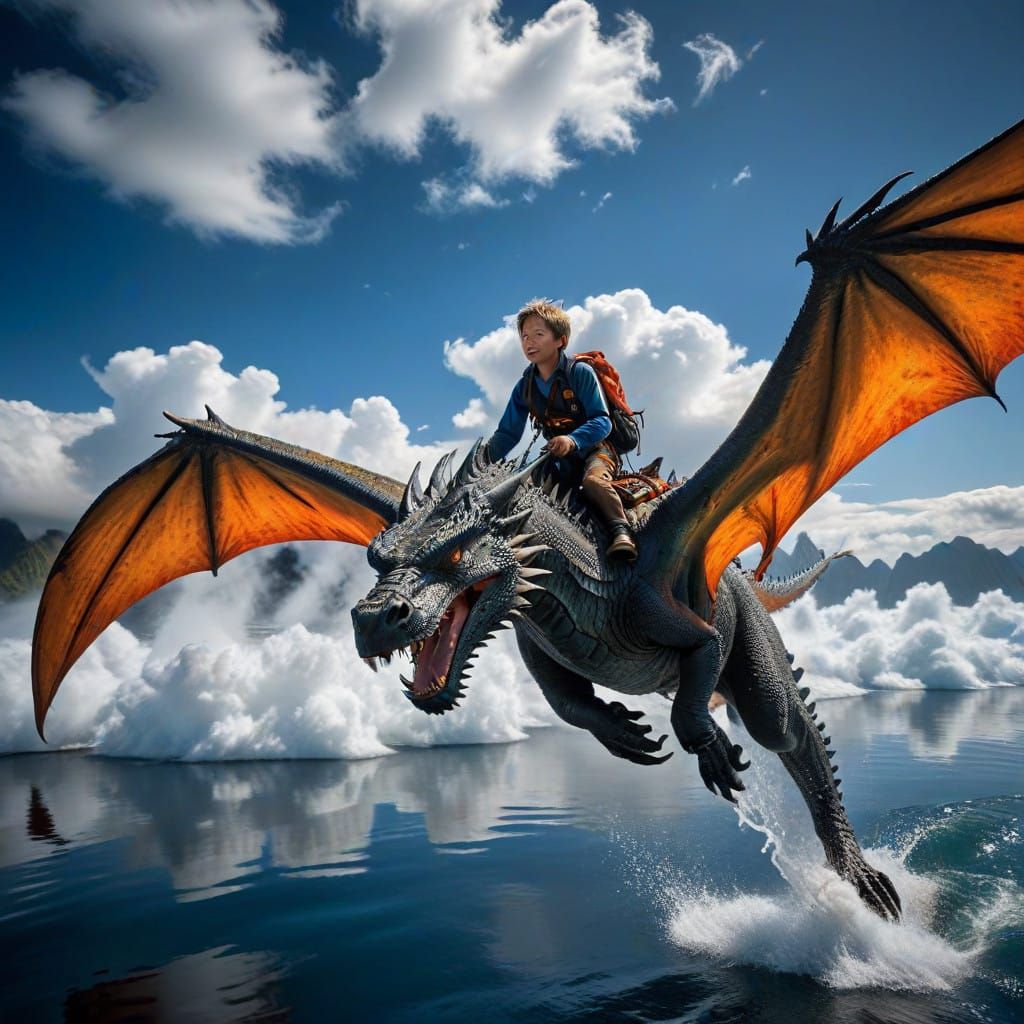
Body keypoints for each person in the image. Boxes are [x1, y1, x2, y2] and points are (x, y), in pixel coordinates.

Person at [486, 299, 638, 561]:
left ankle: (621, 532)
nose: (529, 342)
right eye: (524, 336)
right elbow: (507, 435)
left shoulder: (580, 373)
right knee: (521, 492)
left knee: (592, 482)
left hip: (597, 450)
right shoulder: (524, 387)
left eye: (538, 334)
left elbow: (602, 421)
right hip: (558, 457)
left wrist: (572, 439)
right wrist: (481, 464)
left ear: (561, 340)